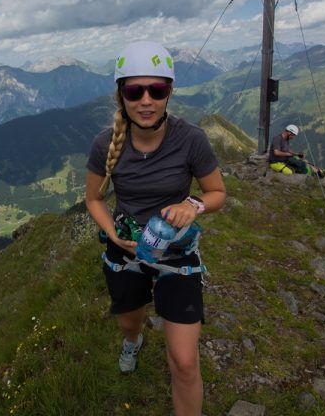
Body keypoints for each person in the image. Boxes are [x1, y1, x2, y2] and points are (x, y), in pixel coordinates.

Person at [85, 41, 226, 416]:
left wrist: (191, 205)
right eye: (134, 91)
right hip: (125, 252)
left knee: (184, 361)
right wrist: (113, 235)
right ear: (122, 97)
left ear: (168, 93)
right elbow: (94, 199)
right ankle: (133, 341)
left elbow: (216, 193)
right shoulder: (105, 144)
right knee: (129, 323)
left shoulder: (191, 140)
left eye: (156, 90)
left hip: (176, 254)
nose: (146, 100)